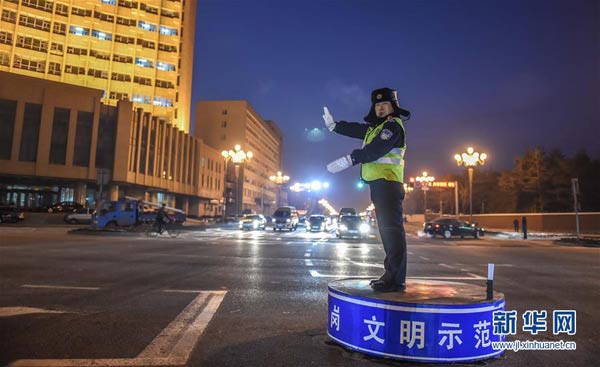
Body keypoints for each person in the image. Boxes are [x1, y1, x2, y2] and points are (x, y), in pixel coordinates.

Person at [324, 87, 410, 292]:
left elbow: (376, 149)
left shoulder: (392, 127)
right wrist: (335, 126)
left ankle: (395, 279)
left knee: (392, 232)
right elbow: (358, 129)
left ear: (393, 106)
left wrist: (350, 159)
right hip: (379, 185)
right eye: (377, 105)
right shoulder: (377, 128)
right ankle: (391, 275)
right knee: (387, 232)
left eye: (384, 104)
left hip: (388, 184)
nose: (380, 108)